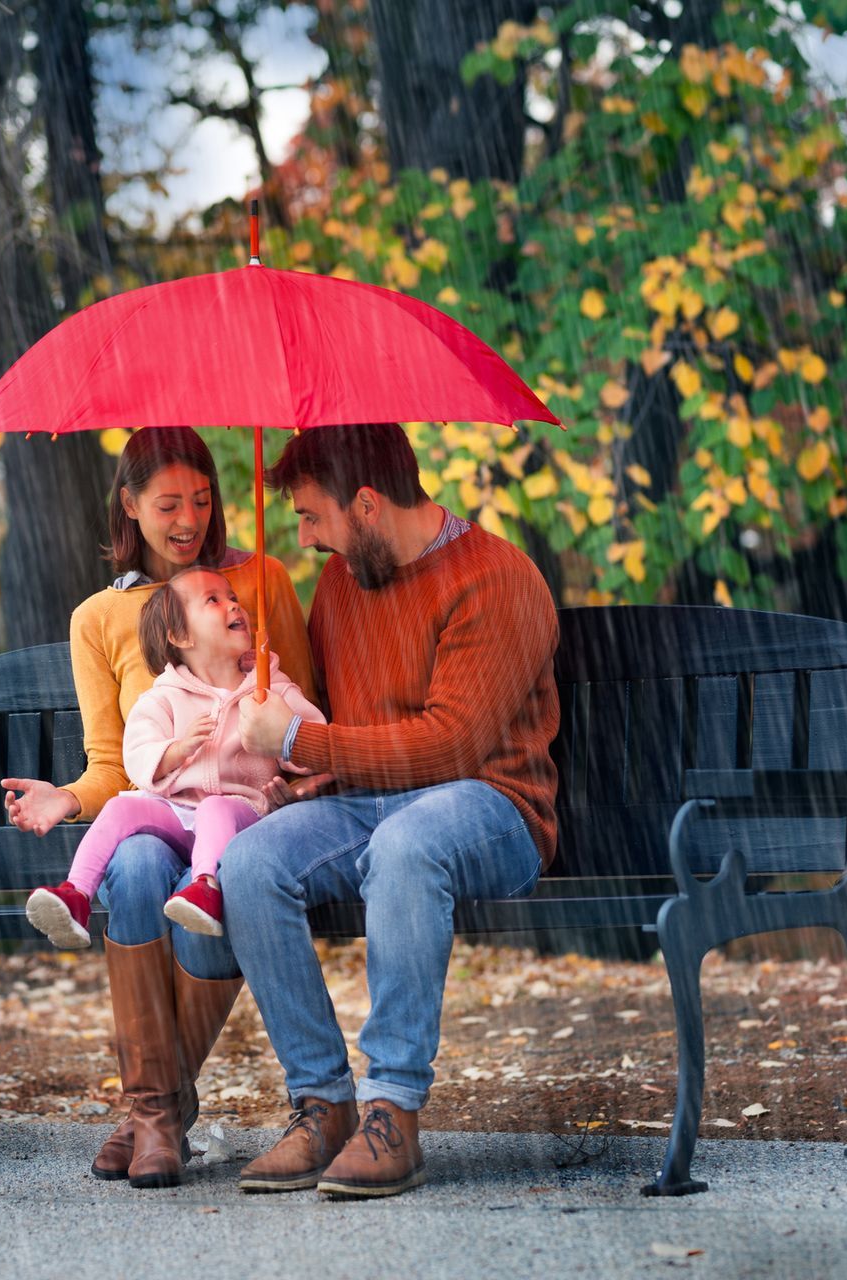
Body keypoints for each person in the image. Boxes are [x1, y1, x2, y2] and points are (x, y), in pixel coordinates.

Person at [220, 422, 561, 1200]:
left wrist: (312, 739)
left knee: (407, 845)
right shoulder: (345, 580)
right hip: (370, 803)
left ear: (366, 505)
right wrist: (304, 772)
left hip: (492, 808)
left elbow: (452, 745)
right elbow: (349, 729)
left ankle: (393, 1113)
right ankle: (324, 1104)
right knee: (252, 860)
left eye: (313, 517)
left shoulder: (496, 580)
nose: (304, 540)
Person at [0, 427, 315, 1189]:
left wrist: (296, 783)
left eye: (203, 500)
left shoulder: (260, 582)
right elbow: (116, 765)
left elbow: (305, 720)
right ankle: (158, 1113)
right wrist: (69, 796)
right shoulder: (97, 620)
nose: (189, 520)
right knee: (138, 863)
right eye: (168, 503)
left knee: (187, 871)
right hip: (158, 815)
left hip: (240, 813)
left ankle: (151, 1116)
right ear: (129, 505)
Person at [25, 565, 326, 948]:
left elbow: (310, 739)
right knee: (121, 809)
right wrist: (177, 750)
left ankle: (205, 887)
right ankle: (76, 894)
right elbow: (136, 751)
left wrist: (283, 730)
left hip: (242, 813)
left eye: (233, 598)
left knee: (216, 807)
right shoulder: (164, 695)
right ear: (180, 635)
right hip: (179, 815)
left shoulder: (269, 686)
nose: (234, 606)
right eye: (214, 601)